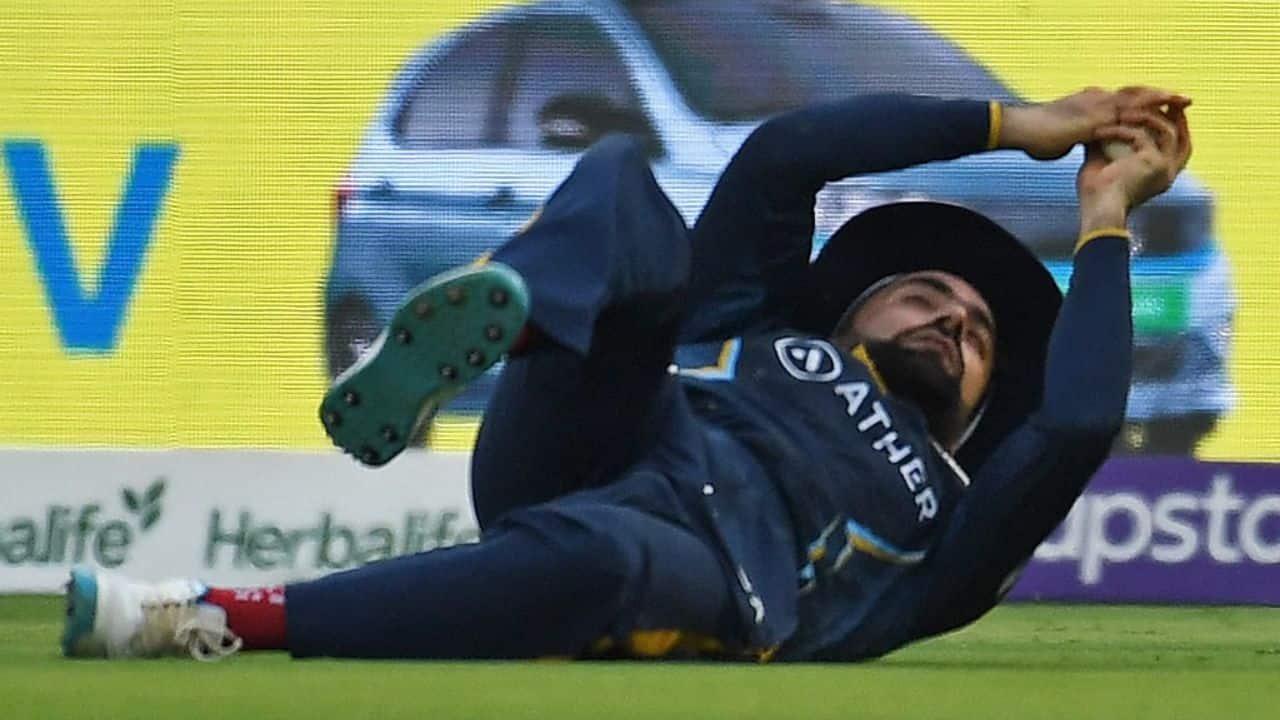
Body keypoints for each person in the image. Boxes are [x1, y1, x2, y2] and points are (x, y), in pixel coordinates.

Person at [61, 86, 1192, 661]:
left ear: (984, 404)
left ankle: (206, 616)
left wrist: (1104, 217)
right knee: (620, 185)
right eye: (926, 292)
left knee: (602, 552)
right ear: (847, 309)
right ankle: (504, 322)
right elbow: (785, 156)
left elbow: (1078, 420)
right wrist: (1018, 123)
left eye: (980, 334)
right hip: (597, 437)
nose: (952, 316)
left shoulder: (949, 532)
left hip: (710, 570)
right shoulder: (752, 323)